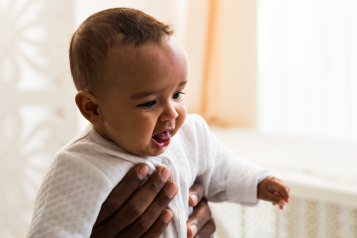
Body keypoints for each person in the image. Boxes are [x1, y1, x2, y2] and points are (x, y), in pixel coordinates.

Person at [27, 8, 290, 238]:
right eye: (150, 103)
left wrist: (258, 182)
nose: (172, 114)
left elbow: (223, 168)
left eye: (177, 95)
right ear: (93, 108)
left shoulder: (189, 135)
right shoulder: (78, 168)